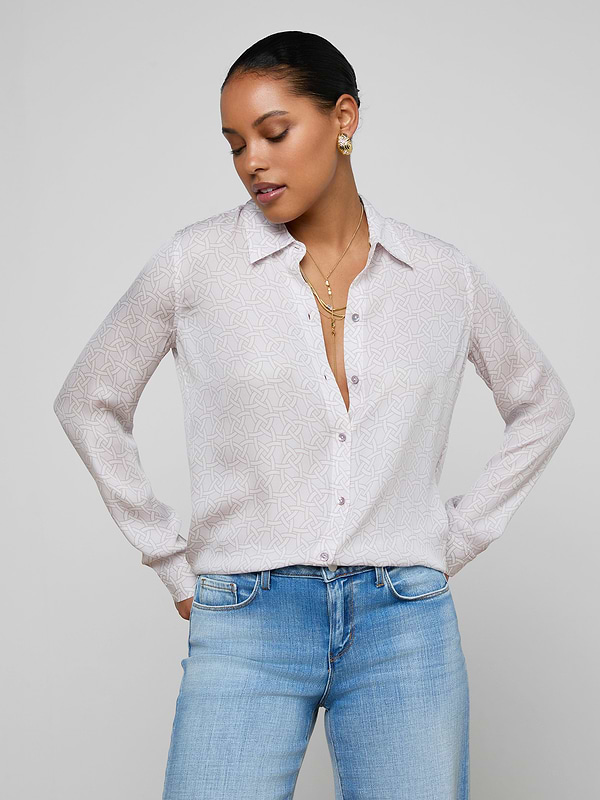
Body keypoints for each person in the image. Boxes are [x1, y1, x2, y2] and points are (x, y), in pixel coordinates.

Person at [53, 30, 575, 800]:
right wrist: (167, 557)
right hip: (246, 621)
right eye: (234, 145)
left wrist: (450, 540)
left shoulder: (440, 275)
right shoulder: (197, 264)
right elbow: (87, 402)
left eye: (272, 133)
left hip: (405, 626)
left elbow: (543, 406)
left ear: (343, 118)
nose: (251, 163)